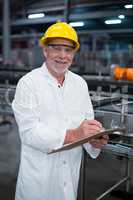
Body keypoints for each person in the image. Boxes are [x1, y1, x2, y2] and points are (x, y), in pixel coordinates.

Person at [12, 21, 108, 200]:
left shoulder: (80, 83)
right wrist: (75, 134)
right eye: (56, 48)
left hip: (69, 175)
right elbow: (29, 133)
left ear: (74, 53)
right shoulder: (28, 83)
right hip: (38, 177)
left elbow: (87, 124)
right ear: (45, 51)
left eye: (68, 50)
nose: (63, 56)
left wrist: (94, 140)